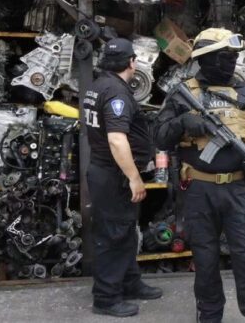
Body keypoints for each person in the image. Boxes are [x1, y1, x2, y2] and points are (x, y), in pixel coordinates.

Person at [154, 29, 245, 323]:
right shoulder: (182, 93)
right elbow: (159, 136)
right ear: (205, 59)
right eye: (225, 56)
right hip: (198, 190)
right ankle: (209, 315)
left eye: (233, 56)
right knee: (205, 258)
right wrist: (183, 122)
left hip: (237, 188)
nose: (231, 62)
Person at [83, 38, 162, 317]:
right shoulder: (115, 91)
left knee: (125, 231)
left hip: (107, 172)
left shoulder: (98, 85)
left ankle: (129, 282)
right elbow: (117, 140)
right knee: (113, 235)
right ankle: (106, 298)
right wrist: (134, 178)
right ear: (131, 62)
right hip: (114, 174)